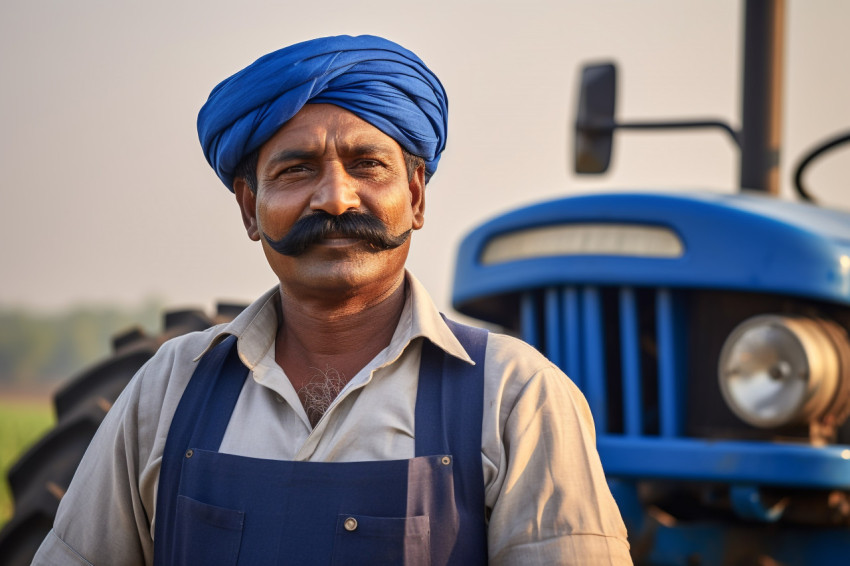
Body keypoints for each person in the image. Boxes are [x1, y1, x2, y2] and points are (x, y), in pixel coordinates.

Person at [32, 35, 631, 565]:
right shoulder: (168, 389)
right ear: (249, 208)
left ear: (416, 197)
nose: (336, 199)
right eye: (296, 170)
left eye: (368, 165)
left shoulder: (515, 397)